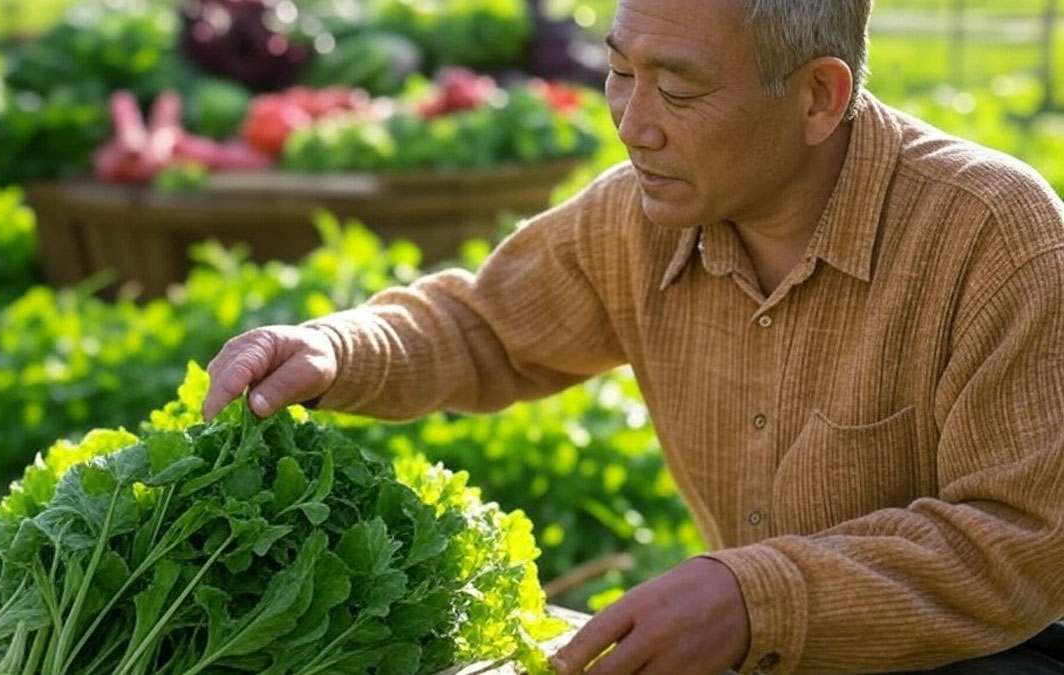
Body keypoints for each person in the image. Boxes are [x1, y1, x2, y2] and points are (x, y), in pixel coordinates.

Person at [201, 0, 1064, 672]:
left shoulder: (995, 236)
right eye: (620, 72)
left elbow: (1018, 541)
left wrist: (752, 597)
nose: (632, 121)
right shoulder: (640, 216)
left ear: (818, 96)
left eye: (679, 91)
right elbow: (486, 324)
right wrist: (341, 346)